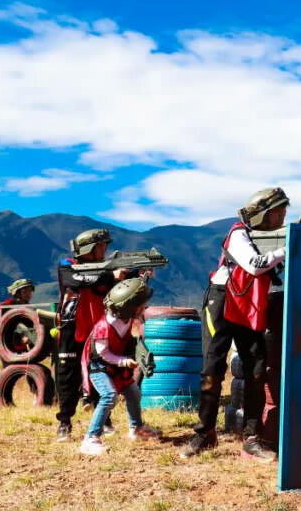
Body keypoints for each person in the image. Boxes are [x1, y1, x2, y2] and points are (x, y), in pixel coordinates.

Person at [179, 187, 289, 461]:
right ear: (265, 215)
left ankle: (252, 437)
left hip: (249, 304)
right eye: (279, 212)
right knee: (212, 369)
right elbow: (254, 264)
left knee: (256, 369)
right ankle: (204, 433)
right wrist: (287, 249)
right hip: (221, 302)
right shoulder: (238, 233)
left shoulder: (267, 236)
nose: (283, 216)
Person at [54, 229, 127, 441]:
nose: (105, 250)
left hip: (98, 329)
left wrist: (133, 276)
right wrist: (108, 275)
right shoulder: (66, 265)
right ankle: (64, 422)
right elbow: (76, 279)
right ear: (88, 249)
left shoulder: (106, 270)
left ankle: (104, 420)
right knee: (67, 377)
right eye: (101, 246)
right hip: (71, 327)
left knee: (100, 372)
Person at [78, 277, 162, 455]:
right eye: (140, 305)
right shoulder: (103, 327)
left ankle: (136, 428)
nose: (143, 308)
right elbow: (103, 354)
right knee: (109, 396)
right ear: (128, 307)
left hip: (115, 367)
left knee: (133, 393)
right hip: (100, 368)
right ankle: (90, 438)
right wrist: (125, 362)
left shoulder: (126, 319)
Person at [0, 278, 34, 348]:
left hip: (23, 340)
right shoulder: (6, 305)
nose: (28, 294)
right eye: (25, 291)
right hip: (7, 338)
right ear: (17, 293)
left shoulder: (29, 307)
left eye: (30, 291)